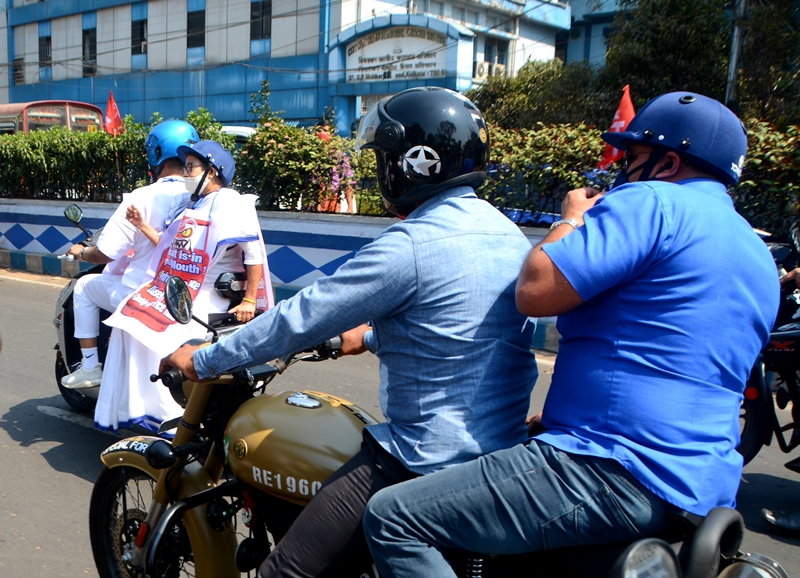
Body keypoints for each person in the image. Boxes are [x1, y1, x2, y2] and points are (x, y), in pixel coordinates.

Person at [361, 92, 781, 577]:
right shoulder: (756, 252)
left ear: (667, 162)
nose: (620, 174)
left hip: (612, 469)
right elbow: (676, 353)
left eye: (631, 158)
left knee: (395, 517)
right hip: (701, 488)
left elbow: (536, 290)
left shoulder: (652, 202)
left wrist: (570, 219)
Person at [159, 87, 539, 577]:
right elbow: (465, 330)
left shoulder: (411, 244)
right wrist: (371, 337)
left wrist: (205, 359)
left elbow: (303, 316)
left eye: (384, 157)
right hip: (499, 455)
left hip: (422, 460)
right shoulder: (508, 234)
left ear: (413, 163)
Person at [95, 140, 274, 433]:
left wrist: (250, 301)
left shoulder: (231, 202)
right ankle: (146, 410)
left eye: (192, 166)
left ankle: (171, 417)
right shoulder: (190, 206)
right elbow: (169, 250)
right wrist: (142, 225)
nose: (186, 172)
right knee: (129, 318)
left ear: (213, 172)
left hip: (207, 295)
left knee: (150, 331)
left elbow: (253, 255)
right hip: (178, 290)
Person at [60, 120, 199, 388]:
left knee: (85, 287)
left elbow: (106, 253)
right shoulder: (205, 195)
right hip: (192, 294)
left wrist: (82, 252)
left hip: (147, 293)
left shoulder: (142, 196)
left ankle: (90, 367)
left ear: (156, 154)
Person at [314, 120, 357, 214]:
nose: (322, 134)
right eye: (319, 130)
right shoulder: (308, 154)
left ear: (332, 134)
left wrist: (350, 207)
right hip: (311, 202)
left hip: (331, 202)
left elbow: (347, 181)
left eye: (326, 131)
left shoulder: (338, 156)